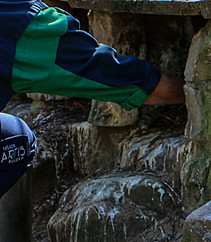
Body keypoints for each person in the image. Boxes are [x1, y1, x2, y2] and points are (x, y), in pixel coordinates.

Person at [0, 0, 185, 200]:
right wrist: (191, 91)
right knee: (18, 141)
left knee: (12, 133)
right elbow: (105, 71)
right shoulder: (18, 21)